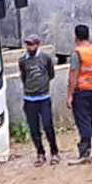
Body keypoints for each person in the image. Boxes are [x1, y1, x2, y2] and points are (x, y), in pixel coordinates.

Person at [18, 35, 59, 166]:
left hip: (44, 98)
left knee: (48, 126)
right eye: (28, 44)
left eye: (32, 44)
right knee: (34, 128)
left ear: (38, 45)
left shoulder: (45, 58)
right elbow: (24, 77)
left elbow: (51, 74)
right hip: (29, 99)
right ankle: (40, 153)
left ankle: (54, 152)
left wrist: (43, 86)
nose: (30, 47)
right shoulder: (23, 61)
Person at [70, 24, 92, 163]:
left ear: (76, 37)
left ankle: (85, 152)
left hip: (82, 91)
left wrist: (70, 95)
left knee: (84, 121)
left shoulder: (77, 53)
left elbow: (73, 74)